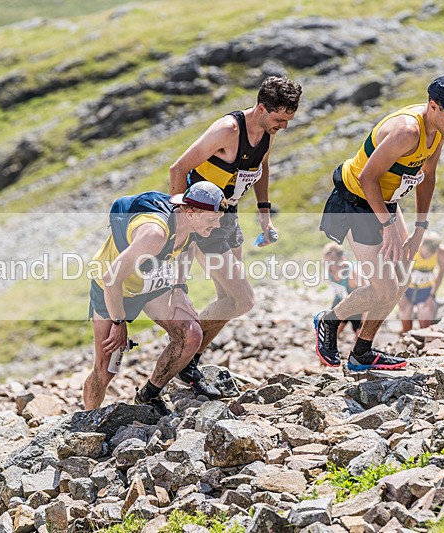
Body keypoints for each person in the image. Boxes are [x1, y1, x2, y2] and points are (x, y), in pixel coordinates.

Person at [315, 74, 444, 371]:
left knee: (401, 280)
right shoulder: (407, 131)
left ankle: (361, 351)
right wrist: (388, 227)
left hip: (386, 201)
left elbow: (428, 175)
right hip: (357, 201)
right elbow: (366, 179)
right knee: (385, 288)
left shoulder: (439, 130)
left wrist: (419, 229)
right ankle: (330, 320)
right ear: (434, 106)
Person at [169, 76, 302, 397]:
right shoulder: (228, 130)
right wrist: (181, 224)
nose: (283, 126)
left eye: (288, 121)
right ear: (260, 108)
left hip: (229, 216)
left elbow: (262, 167)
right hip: (202, 219)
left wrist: (264, 214)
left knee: (228, 301)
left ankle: (189, 359)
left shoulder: (267, 133)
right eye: (279, 119)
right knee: (241, 300)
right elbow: (177, 169)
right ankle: (181, 348)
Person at [83, 181, 227, 415]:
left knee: (191, 335)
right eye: (213, 218)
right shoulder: (154, 235)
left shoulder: (192, 227)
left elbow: (187, 249)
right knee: (105, 369)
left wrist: (179, 288)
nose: (218, 223)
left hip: (151, 286)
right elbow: (111, 280)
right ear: (190, 212)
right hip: (113, 290)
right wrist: (119, 323)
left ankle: (148, 395)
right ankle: (88, 421)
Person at [399, 232, 444, 333]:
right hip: (408, 288)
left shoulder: (442, 252)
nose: (427, 255)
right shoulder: (413, 247)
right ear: (422, 245)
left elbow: (442, 272)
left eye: (430, 254)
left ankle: (424, 342)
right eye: (425, 252)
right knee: (406, 318)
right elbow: (399, 268)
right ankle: (406, 338)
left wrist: (432, 294)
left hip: (425, 290)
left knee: (425, 323)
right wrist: (400, 292)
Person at [322, 242, 362, 339]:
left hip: (358, 307)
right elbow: (338, 292)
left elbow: (369, 299)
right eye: (326, 262)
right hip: (341, 302)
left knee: (360, 336)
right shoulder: (329, 271)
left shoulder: (353, 275)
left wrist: (363, 324)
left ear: (342, 259)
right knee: (330, 332)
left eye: (332, 262)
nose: (329, 266)